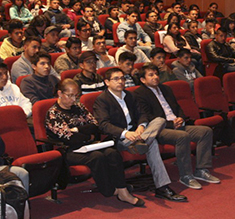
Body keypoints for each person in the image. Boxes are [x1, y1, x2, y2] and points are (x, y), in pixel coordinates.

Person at [45, 79, 144, 207]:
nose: (73, 99)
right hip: (69, 150)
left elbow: (95, 125)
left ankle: (122, 190)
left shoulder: (79, 107)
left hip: (89, 145)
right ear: (59, 93)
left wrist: (77, 130)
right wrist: (86, 134)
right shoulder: (53, 114)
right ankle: (109, 190)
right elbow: (69, 138)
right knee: (97, 157)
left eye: (76, 95)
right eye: (70, 95)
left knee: (111, 153)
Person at [94, 67, 187, 202]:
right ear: (107, 82)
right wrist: (126, 133)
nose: (120, 81)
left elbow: (142, 114)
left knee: (159, 120)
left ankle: (141, 142)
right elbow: (104, 125)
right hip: (120, 138)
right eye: (116, 79)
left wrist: (141, 127)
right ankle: (162, 187)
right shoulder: (102, 100)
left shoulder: (129, 95)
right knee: (153, 143)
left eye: (122, 78)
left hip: (139, 135)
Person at [134, 64, 220, 190]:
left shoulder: (166, 89)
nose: (155, 77)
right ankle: (186, 175)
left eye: (156, 74)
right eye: (151, 75)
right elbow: (147, 116)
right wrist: (170, 124)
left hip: (177, 124)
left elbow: (177, 107)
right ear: (143, 79)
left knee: (205, 131)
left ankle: (201, 169)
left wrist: (180, 118)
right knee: (182, 136)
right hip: (160, 129)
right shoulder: (139, 94)